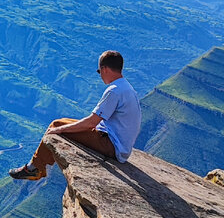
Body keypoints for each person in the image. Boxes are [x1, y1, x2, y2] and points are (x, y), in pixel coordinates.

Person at [9, 50, 141, 180]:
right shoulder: (127, 88)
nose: (100, 75)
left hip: (111, 145)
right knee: (62, 121)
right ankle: (36, 166)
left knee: (57, 125)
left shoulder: (114, 91)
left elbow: (91, 123)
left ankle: (34, 168)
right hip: (119, 145)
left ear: (105, 69)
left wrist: (60, 130)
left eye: (99, 71)